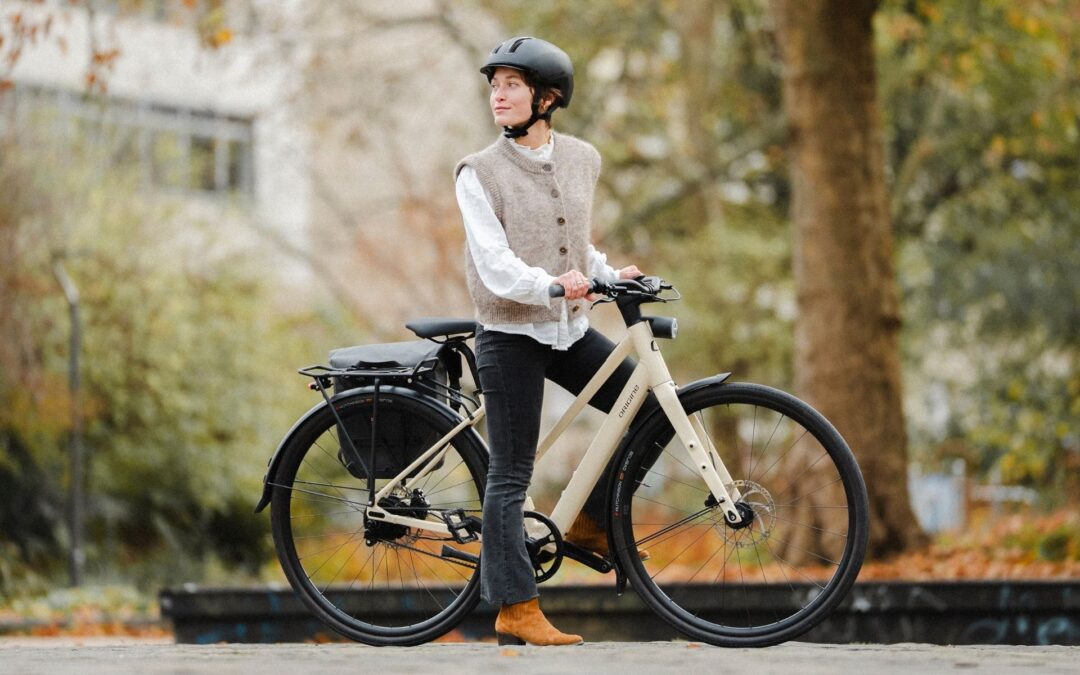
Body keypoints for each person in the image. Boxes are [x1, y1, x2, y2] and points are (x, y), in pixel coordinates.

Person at [454, 36, 643, 647]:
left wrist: (611, 276)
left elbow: (575, 246)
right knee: (511, 473)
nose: (497, 95)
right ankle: (514, 607)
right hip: (509, 334)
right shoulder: (477, 172)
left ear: (548, 96)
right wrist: (553, 287)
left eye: (510, 84)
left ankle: (590, 521)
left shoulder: (583, 158)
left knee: (639, 407)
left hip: (567, 329)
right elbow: (495, 264)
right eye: (493, 85)